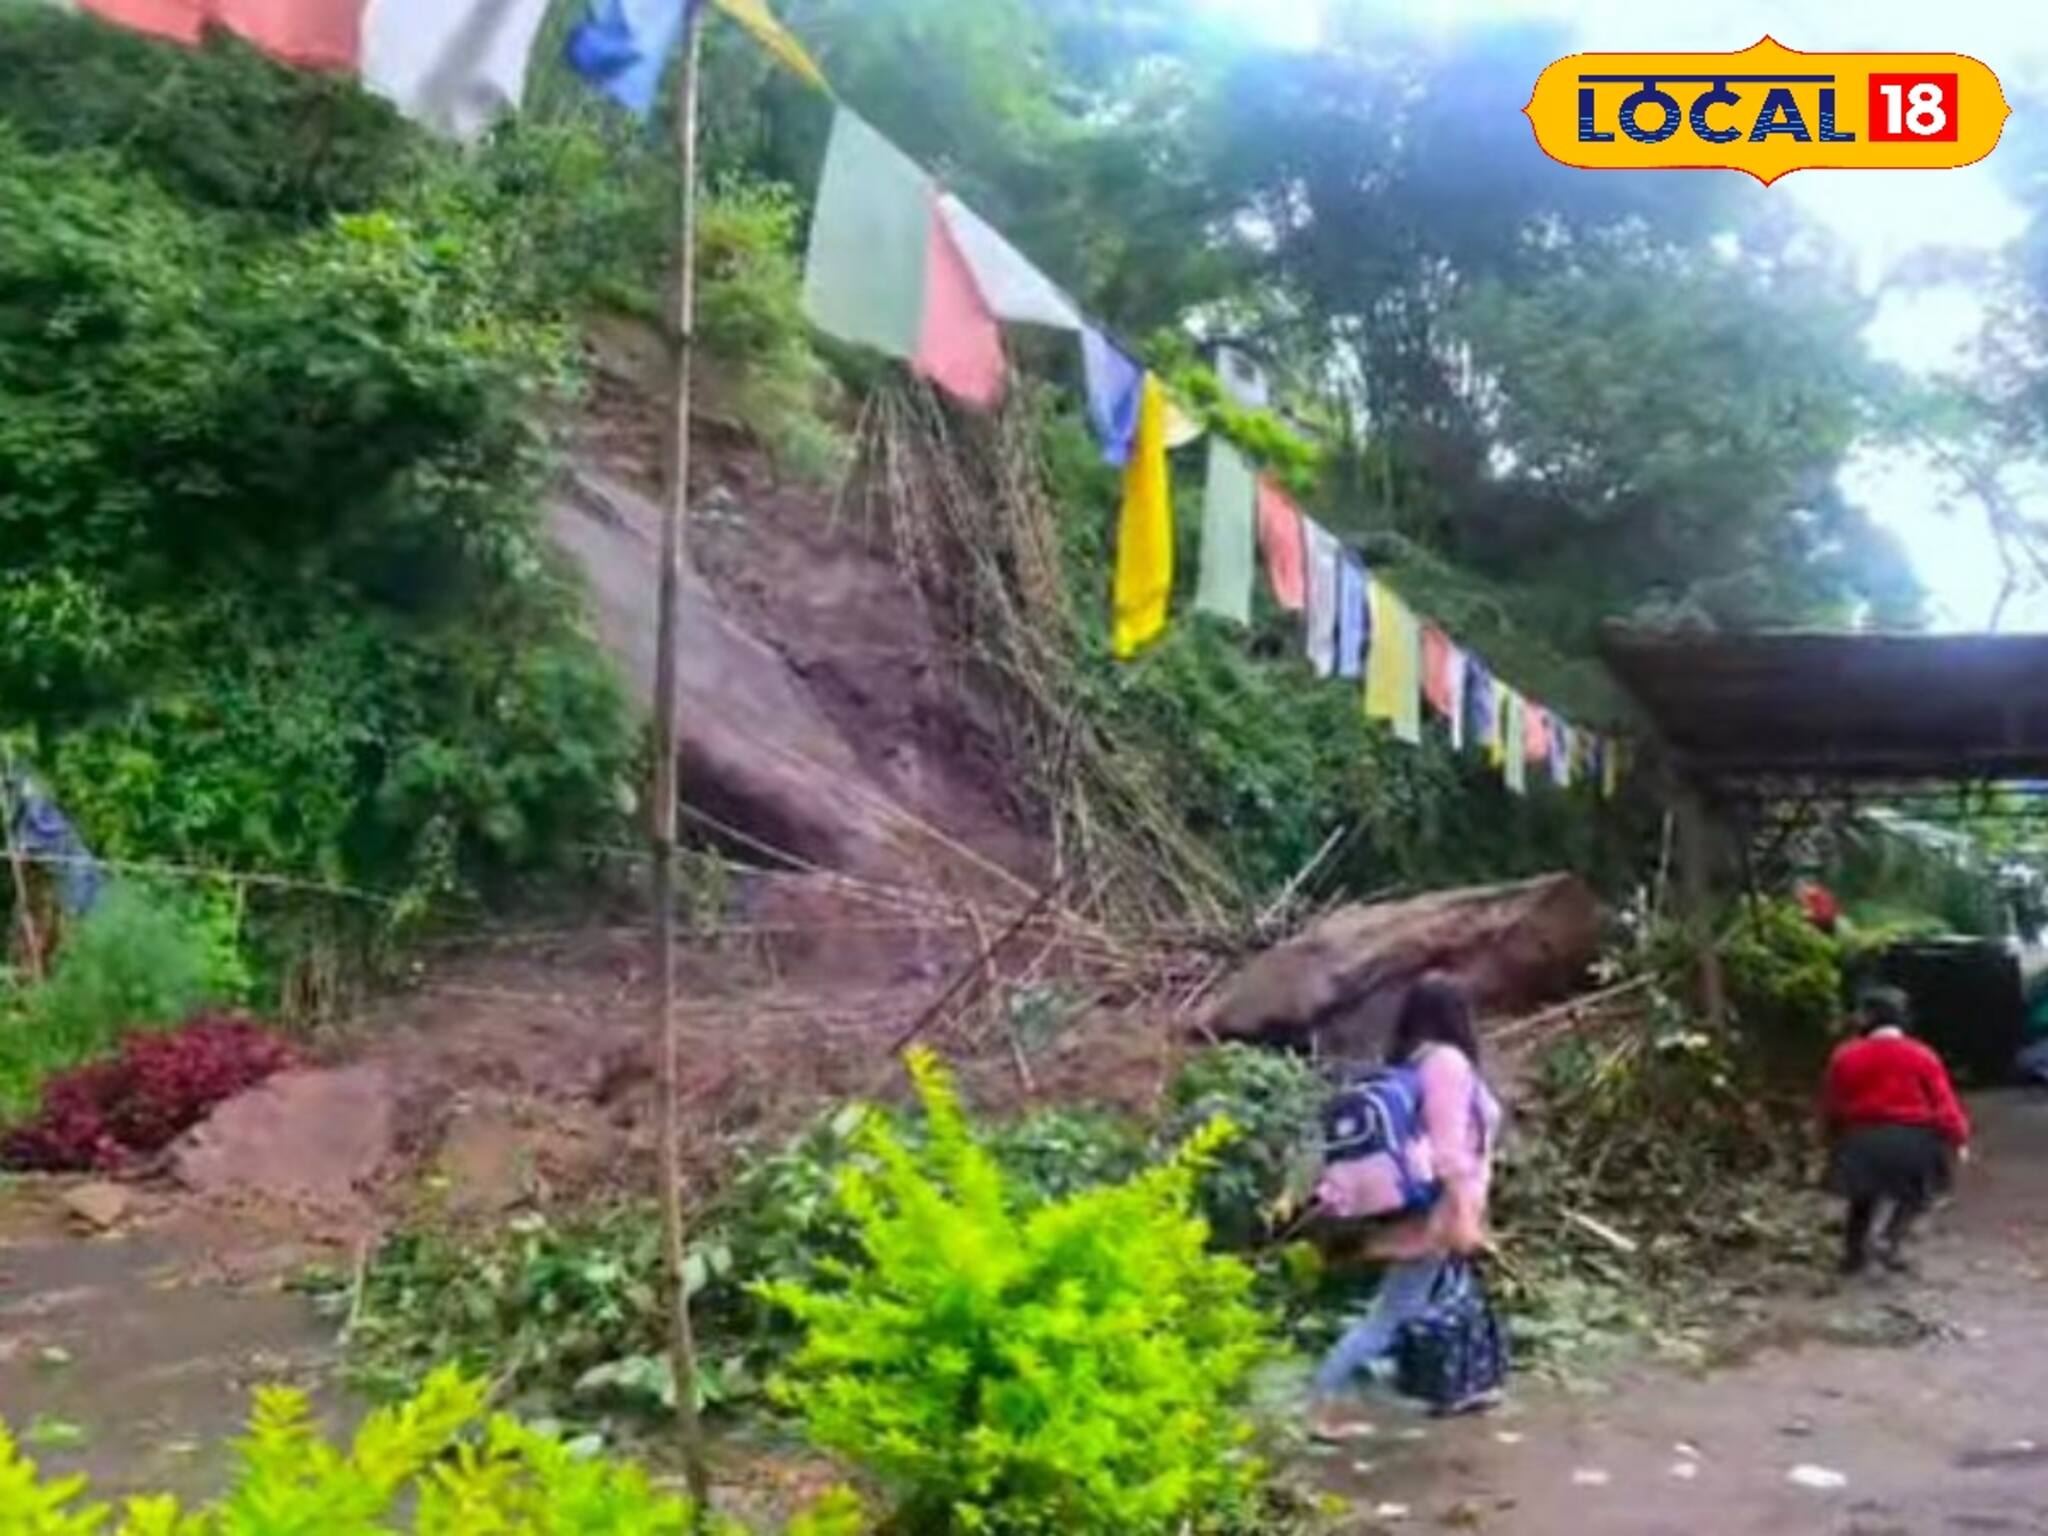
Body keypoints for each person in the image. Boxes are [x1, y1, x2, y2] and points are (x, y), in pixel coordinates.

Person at [1311, 975, 1502, 1435]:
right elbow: (1448, 1150)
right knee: (1389, 1316)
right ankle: (1320, 1405)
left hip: (1431, 1208)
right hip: (1437, 1210)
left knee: (1432, 1300)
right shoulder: (1447, 1064)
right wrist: (1460, 1212)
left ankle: (1455, 1386)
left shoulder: (1413, 1062)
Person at [1820, 987, 1970, 1276]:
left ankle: (1854, 1256)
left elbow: (1832, 1105)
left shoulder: (1845, 1056)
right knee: (1916, 1196)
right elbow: (1943, 1104)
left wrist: (1831, 1140)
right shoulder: (1922, 1055)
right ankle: (1891, 1239)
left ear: (1866, 1018)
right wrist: (1958, 1139)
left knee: (1862, 1201)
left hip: (1862, 1139)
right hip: (1913, 1140)